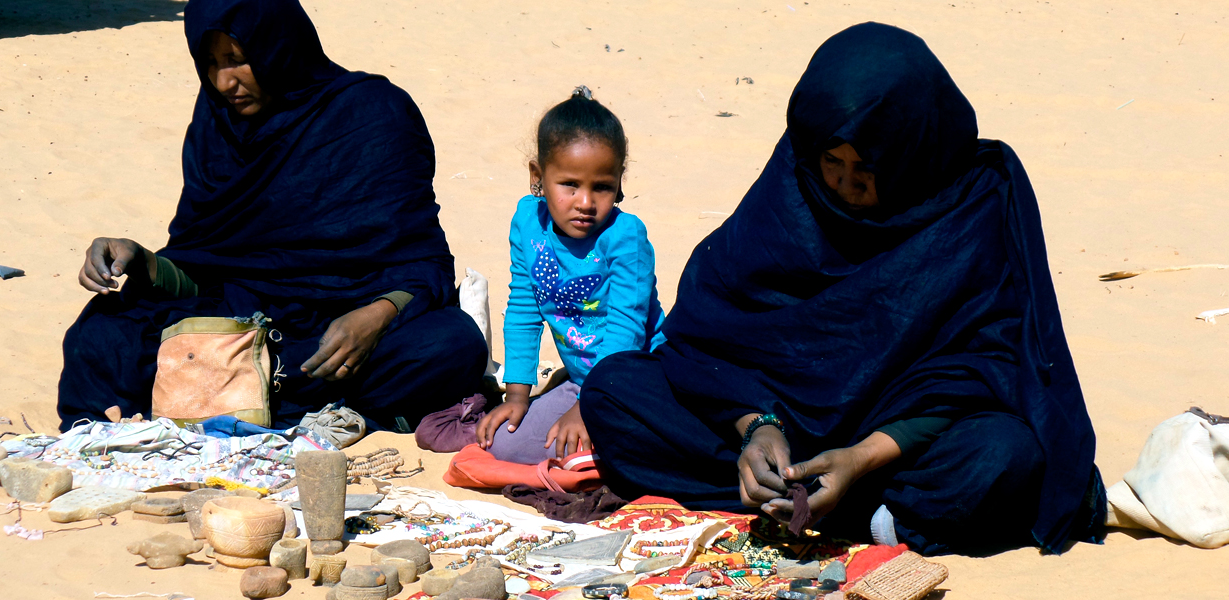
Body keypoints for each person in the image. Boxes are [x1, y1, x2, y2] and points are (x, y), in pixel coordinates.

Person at [580, 23, 1107, 556]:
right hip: (777, 425)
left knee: (1004, 455)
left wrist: (859, 459)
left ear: (914, 154)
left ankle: (846, 505)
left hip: (893, 447)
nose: (845, 185)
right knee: (614, 392)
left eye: (868, 168)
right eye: (833, 162)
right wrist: (756, 427)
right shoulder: (795, 184)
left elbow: (985, 368)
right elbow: (709, 333)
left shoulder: (972, 206)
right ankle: (814, 500)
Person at [56, 0, 487, 434]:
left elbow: (422, 263)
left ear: (279, 47)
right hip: (236, 328)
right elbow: (203, 265)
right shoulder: (217, 124)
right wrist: (142, 260)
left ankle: (228, 408)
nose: (225, 81)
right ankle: (270, 409)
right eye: (211, 63)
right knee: (100, 333)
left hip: (335, 337)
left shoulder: (374, 115)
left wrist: (375, 317)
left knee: (452, 344)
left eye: (238, 60)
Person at [475, 87, 665, 463]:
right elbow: (524, 310)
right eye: (570, 185)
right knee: (504, 446)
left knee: (627, 452)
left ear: (619, 183)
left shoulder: (626, 238)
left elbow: (627, 330)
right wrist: (517, 396)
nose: (585, 203)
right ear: (538, 176)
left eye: (603, 187)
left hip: (637, 380)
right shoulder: (528, 223)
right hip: (583, 382)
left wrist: (590, 407)